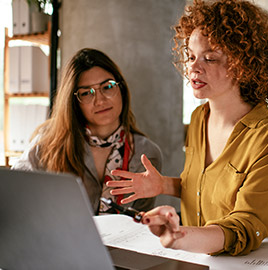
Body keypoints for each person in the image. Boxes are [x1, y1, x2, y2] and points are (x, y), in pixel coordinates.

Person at [107, 0, 268, 256]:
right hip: (197, 254)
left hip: (252, 260)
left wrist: (181, 236)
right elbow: (201, 186)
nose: (194, 67)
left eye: (210, 58)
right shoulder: (198, 117)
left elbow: (246, 226)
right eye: (191, 56)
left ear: (243, 65)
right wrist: (163, 185)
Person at [13, 48, 163, 215]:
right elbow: (14, 195)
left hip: (119, 242)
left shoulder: (147, 154)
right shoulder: (49, 141)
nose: (100, 100)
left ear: (121, 88)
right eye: (86, 93)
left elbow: (142, 224)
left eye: (107, 87)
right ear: (74, 101)